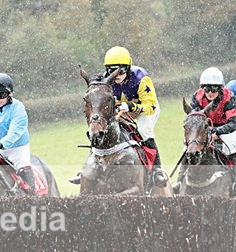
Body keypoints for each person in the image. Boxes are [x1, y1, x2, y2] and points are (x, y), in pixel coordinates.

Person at [69, 46, 167, 186]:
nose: (117, 74)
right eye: (111, 70)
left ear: (127, 68)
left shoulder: (141, 78)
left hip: (144, 109)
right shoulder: (105, 80)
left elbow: (150, 107)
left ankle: (157, 171)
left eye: (120, 70)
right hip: (121, 110)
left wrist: (130, 107)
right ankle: (88, 169)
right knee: (100, 130)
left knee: (144, 131)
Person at [179, 67, 236, 195]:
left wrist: (217, 131)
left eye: (214, 88)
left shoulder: (228, 98)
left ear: (220, 88)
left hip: (227, 127)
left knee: (230, 148)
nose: (210, 92)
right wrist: (206, 131)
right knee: (188, 148)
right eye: (207, 88)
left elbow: (234, 122)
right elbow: (195, 118)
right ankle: (180, 180)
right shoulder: (197, 96)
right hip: (205, 127)